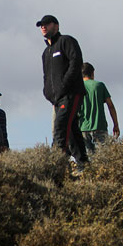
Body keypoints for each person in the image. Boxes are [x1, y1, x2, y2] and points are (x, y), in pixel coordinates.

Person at [36, 15, 89, 170]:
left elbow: (76, 62)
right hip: (57, 99)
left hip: (71, 93)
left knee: (60, 128)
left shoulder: (66, 41)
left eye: (47, 24)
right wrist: (48, 93)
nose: (43, 27)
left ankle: (58, 166)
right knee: (71, 131)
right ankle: (84, 165)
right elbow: (46, 76)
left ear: (56, 26)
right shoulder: (46, 52)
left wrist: (64, 85)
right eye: (41, 25)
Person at [79, 62, 120, 153]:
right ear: (92, 73)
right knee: (103, 159)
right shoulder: (99, 86)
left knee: (86, 160)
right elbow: (111, 106)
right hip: (99, 126)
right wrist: (116, 124)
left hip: (82, 128)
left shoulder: (77, 88)